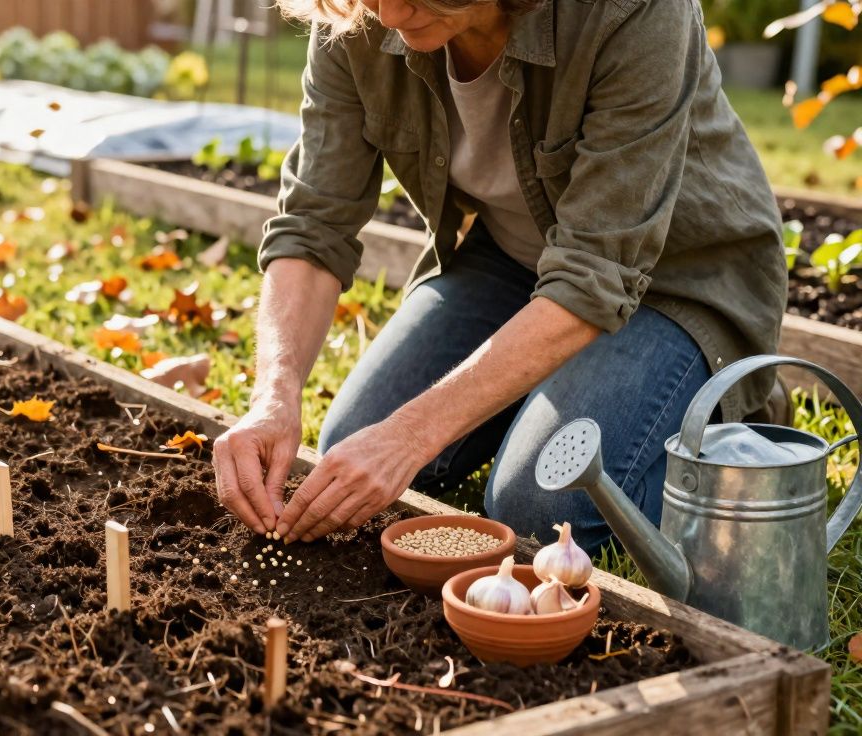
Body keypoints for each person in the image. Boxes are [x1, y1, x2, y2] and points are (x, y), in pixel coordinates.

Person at [210, 0, 786, 550]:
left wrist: (411, 434)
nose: (386, 17)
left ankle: (723, 403)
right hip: (514, 261)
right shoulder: (360, 13)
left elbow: (594, 272)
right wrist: (273, 396)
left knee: (540, 506)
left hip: (679, 282)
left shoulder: (633, 12)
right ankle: (543, 388)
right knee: (348, 448)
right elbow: (314, 225)